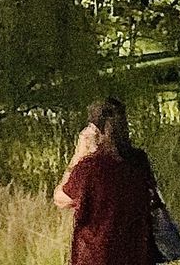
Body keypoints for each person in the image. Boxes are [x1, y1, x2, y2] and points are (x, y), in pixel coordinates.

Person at [54, 98, 158, 265]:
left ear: (95, 129)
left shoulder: (89, 168)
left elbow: (61, 198)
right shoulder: (139, 161)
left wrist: (79, 153)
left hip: (97, 258)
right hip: (138, 257)